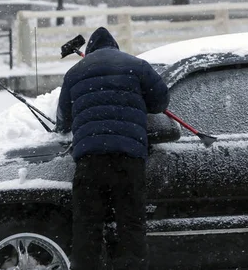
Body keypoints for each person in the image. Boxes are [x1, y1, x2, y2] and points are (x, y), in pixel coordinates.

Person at [56, 27, 170, 270]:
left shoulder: (74, 73)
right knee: (131, 226)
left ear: (89, 50)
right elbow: (160, 102)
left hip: (90, 160)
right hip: (129, 159)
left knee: (87, 227)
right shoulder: (137, 66)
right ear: (115, 46)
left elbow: (62, 121)